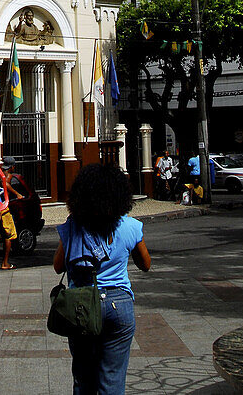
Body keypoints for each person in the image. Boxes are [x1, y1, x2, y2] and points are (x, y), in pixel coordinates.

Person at [53, 164, 151, 394]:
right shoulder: (129, 227)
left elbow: (58, 266)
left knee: (83, 377)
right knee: (113, 379)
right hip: (119, 306)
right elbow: (145, 265)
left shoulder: (73, 227)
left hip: (82, 307)